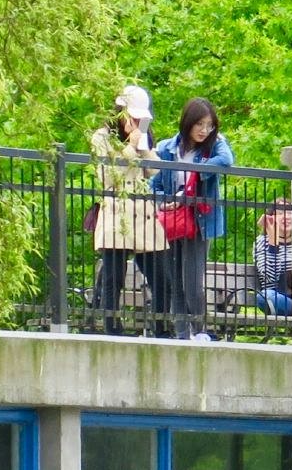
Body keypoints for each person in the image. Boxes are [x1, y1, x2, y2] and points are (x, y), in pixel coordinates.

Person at [153, 97, 235, 339]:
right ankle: (181, 333)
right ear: (188, 122)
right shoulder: (167, 148)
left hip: (199, 222)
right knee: (175, 281)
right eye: (199, 124)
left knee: (192, 281)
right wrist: (163, 200)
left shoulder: (214, 147)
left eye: (209, 125)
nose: (204, 130)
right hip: (171, 219)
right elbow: (154, 184)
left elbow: (227, 160)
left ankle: (199, 331)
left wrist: (198, 169)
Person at [88, 86, 165, 330]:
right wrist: (130, 148)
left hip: (143, 214)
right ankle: (112, 326)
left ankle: (162, 326)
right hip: (116, 213)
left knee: (162, 277)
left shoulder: (143, 136)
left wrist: (144, 147)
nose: (135, 121)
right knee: (113, 277)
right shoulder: (102, 137)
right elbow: (107, 178)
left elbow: (155, 171)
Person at [250, 197, 292, 317]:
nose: (286, 217)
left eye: (290, 213)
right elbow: (270, 276)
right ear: (271, 218)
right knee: (264, 297)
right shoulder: (262, 242)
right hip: (279, 297)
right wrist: (273, 240)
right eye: (280, 213)